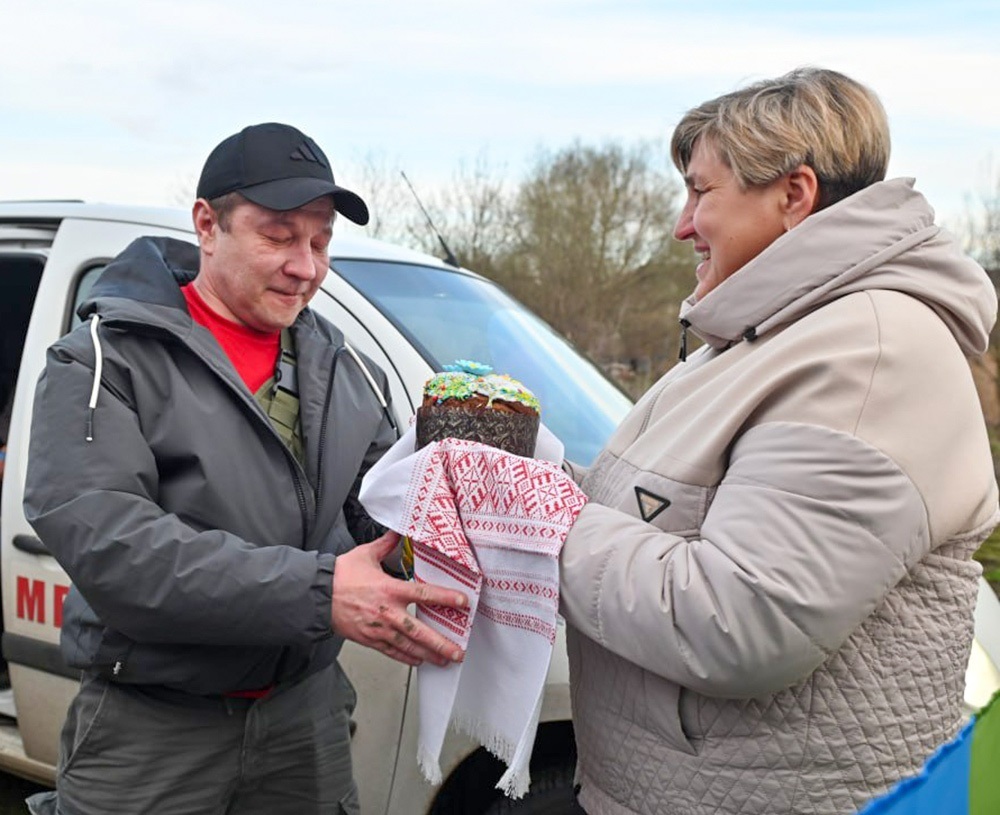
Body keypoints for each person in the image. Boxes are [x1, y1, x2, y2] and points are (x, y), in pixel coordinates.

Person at [557, 68, 1000, 814]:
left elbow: (743, 618)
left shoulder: (868, 355)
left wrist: (541, 525)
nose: (682, 222)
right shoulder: (763, 337)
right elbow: (654, 508)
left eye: (703, 192)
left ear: (794, 195)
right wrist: (530, 472)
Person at [22, 122, 467, 815]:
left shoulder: (352, 374)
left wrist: (473, 516)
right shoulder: (104, 358)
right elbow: (115, 549)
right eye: (280, 235)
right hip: (153, 728)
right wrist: (322, 591)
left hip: (304, 722)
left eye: (320, 242)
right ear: (208, 223)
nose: (307, 266)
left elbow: (383, 518)